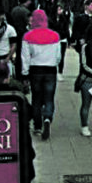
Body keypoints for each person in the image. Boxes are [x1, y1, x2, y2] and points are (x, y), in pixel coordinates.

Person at [21, 9, 60, 140]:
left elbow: (25, 57)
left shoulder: (27, 36)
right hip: (50, 70)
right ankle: (47, 118)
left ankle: (37, 126)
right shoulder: (55, 36)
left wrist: (24, 74)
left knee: (36, 98)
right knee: (49, 97)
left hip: (35, 70)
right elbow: (58, 56)